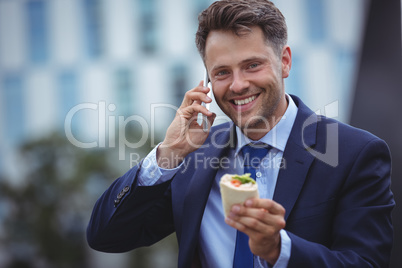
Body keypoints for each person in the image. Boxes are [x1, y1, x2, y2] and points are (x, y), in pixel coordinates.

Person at [86, 0, 395, 267]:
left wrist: (278, 250)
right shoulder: (193, 156)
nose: (237, 85)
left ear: (284, 62)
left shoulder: (354, 152)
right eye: (222, 72)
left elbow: (366, 263)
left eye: (252, 65)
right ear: (207, 81)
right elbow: (106, 236)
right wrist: (168, 154)